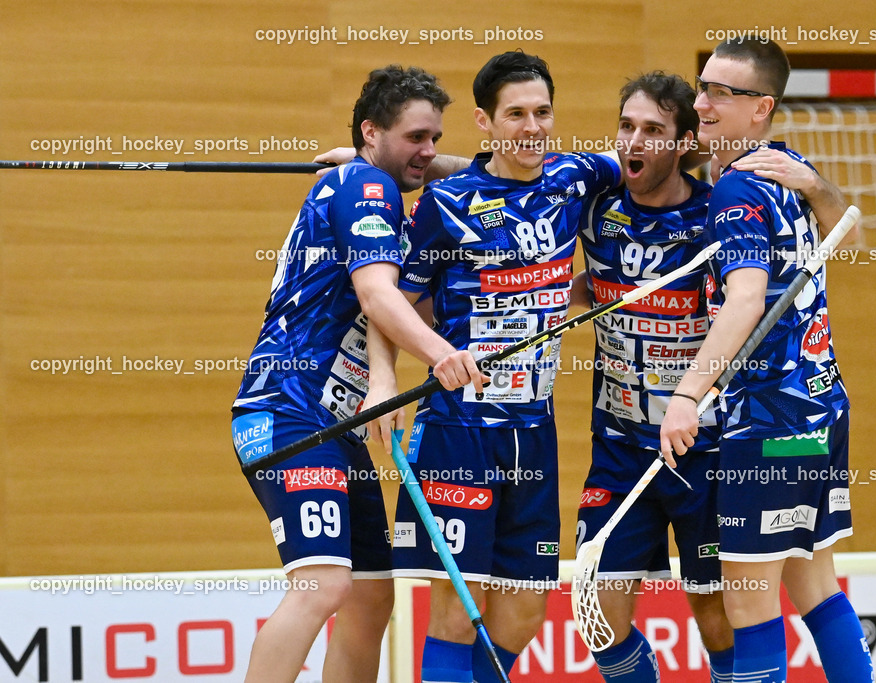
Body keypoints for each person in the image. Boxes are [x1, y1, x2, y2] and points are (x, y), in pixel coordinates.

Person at [573, 72, 849, 683]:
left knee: (721, 612)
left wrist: (687, 395)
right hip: (621, 447)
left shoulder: (719, 206)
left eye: (653, 130)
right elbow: (512, 179)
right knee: (597, 616)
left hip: (707, 444)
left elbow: (815, 247)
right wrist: (409, 163)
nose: (634, 141)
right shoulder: (594, 202)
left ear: (683, 143)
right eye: (626, 126)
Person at [230, 65, 482, 683]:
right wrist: (441, 354)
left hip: (336, 427)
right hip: (289, 414)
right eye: (416, 137)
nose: (429, 151)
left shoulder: (364, 182)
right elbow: (377, 296)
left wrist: (390, 161)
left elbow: (482, 170)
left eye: (435, 137)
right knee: (324, 585)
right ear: (372, 131)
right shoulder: (366, 185)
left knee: (370, 597)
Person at [385, 51, 621, 683]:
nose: (532, 127)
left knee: (524, 612)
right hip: (458, 430)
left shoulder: (575, 176)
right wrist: (401, 372)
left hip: (534, 430)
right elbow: (392, 304)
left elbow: (656, 159)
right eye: (515, 114)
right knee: (456, 614)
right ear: (484, 122)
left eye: (543, 112)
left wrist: (773, 169)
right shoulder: (444, 203)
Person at [660, 38, 873, 683]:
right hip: (819, 416)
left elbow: (746, 299)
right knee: (815, 586)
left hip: (768, 424)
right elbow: (851, 232)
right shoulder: (782, 165)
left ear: (761, 108)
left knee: (749, 604)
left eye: (721, 93)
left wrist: (687, 394)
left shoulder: (737, 190)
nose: (702, 103)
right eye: (702, 87)